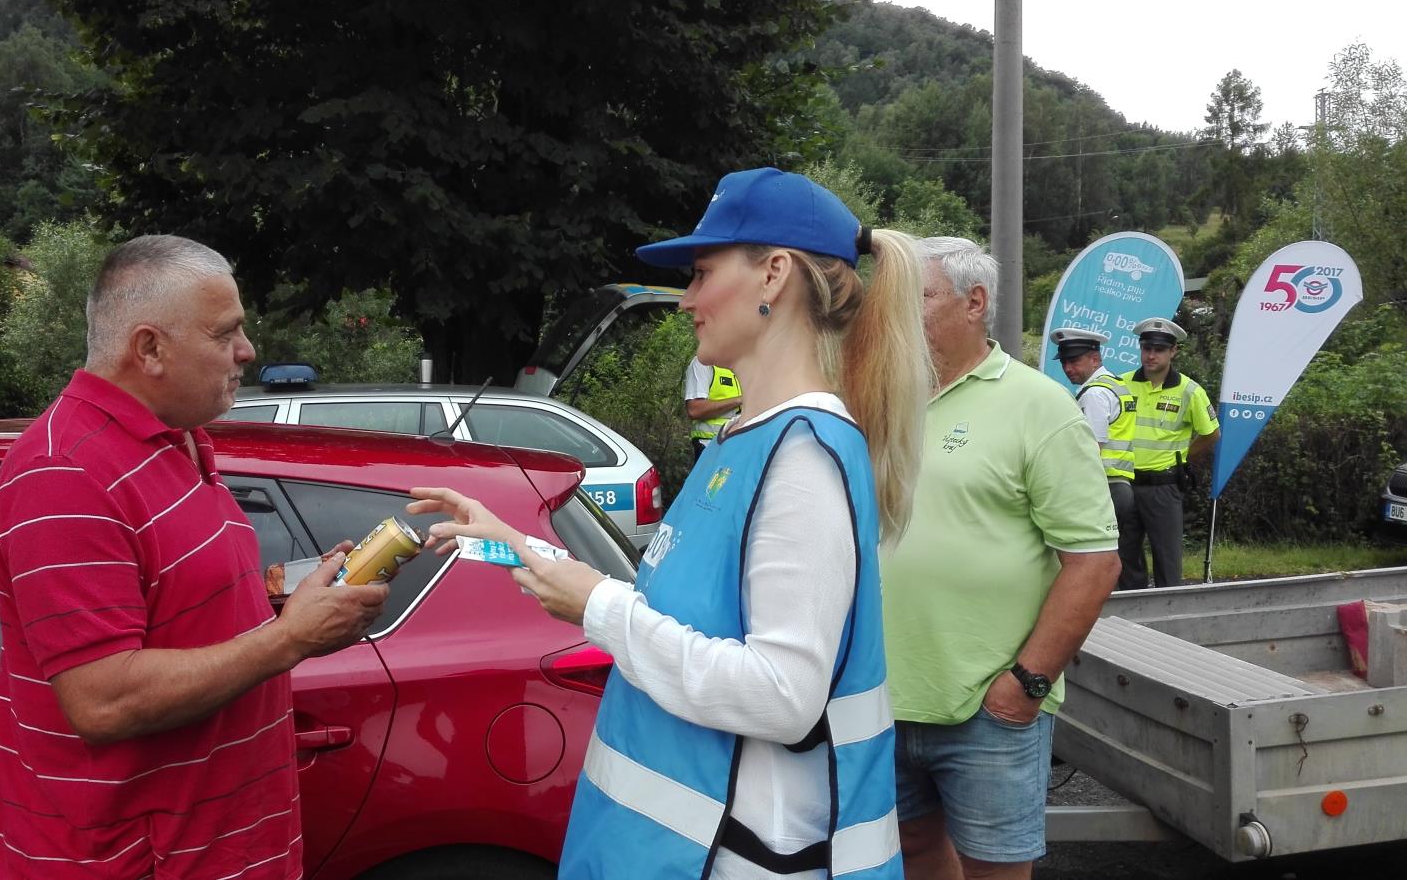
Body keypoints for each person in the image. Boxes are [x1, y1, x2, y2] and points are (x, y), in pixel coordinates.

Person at [410, 167, 932, 879]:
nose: (686, 299)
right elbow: (665, 609)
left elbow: (781, 697)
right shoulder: (742, 439)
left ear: (774, 274)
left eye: (701, 272)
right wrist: (505, 540)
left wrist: (597, 608)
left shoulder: (804, 453)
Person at [0, 235, 389, 879]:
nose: (246, 351)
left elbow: (170, 609)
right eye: (225, 332)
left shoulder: (177, 441)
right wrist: (290, 639)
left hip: (222, 851)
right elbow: (102, 701)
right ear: (148, 348)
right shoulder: (65, 472)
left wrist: (286, 605)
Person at [881, 237, 1120, 880]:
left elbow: (1094, 561)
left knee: (995, 870)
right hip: (881, 697)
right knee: (913, 854)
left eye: (918, 299)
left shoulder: (1039, 407)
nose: (898, 315)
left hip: (988, 708)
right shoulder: (884, 400)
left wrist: (1027, 685)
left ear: (974, 302)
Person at [1123, 317, 1220, 589]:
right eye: (1146, 348)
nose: (1151, 355)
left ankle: (1169, 615)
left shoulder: (1190, 391)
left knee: (1167, 558)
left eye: (1159, 349)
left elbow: (1211, 433)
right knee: (1126, 556)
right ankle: (1135, 619)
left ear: (1173, 351)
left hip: (1163, 487)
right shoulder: (1121, 384)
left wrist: (1181, 458)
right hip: (1125, 484)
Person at [1050, 327, 1145, 592]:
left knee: (1092, 565)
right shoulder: (1115, 384)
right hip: (1120, 485)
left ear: (1095, 358)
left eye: (1075, 361)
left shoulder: (1094, 394)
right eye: (1065, 362)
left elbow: (1090, 448)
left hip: (1102, 488)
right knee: (1121, 561)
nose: (1068, 368)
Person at [685, 358, 743, 463]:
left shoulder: (741, 367)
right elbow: (694, 410)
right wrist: (739, 400)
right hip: (710, 446)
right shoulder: (703, 363)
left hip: (738, 447)